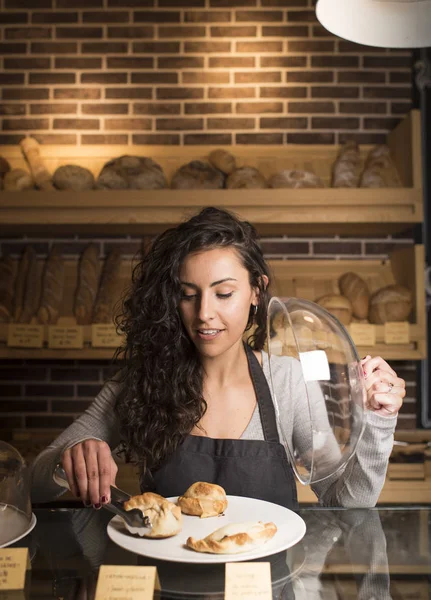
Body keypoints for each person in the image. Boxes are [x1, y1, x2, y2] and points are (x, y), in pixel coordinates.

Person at [30, 207, 405, 510]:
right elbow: (33, 484)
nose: (204, 313)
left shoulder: (288, 380)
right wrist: (70, 458)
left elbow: (347, 502)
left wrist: (379, 422)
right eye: (188, 294)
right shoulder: (144, 381)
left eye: (223, 293)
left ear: (256, 291)